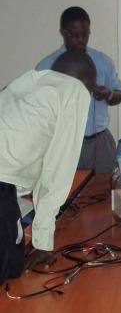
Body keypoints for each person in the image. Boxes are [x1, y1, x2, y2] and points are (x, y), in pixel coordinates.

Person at [0, 51, 96, 284]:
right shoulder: (74, 90)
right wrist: (43, 242)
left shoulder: (30, 81)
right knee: (11, 270)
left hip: (5, 184)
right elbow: (58, 169)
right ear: (85, 82)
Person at [36, 6, 121, 173]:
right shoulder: (46, 66)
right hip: (64, 144)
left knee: (105, 191)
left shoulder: (103, 61)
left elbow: (119, 94)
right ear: (63, 32)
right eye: (73, 34)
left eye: (85, 34)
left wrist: (109, 94)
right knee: (68, 195)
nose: (80, 40)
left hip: (101, 142)